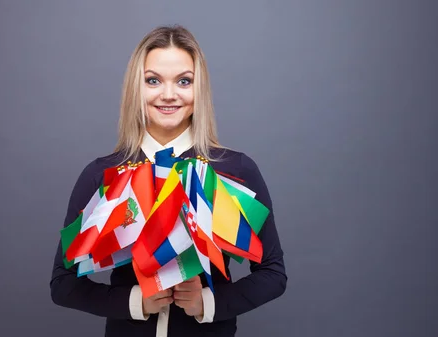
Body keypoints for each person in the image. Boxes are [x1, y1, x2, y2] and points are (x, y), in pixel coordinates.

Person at [50, 24, 287, 337]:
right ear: (137, 88)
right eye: (153, 80)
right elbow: (63, 283)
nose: (169, 94)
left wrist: (208, 302)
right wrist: (137, 302)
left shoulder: (235, 169)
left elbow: (272, 273)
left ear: (198, 88)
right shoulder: (102, 175)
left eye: (184, 81)